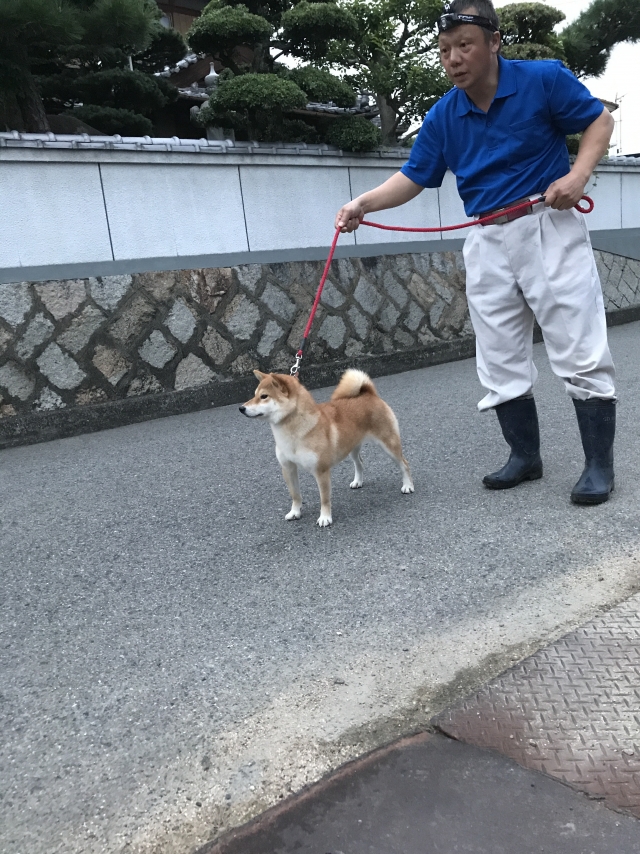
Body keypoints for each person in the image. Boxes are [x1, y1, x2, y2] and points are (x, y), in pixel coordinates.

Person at [335, 0, 617, 505]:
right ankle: (525, 458)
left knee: (578, 343)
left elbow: (599, 121)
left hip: (546, 225)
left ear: (494, 42)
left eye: (464, 45)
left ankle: (598, 466)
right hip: (486, 238)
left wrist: (577, 176)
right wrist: (362, 203)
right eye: (444, 50)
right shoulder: (444, 114)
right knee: (498, 352)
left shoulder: (543, 79)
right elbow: (414, 177)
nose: (454, 58)